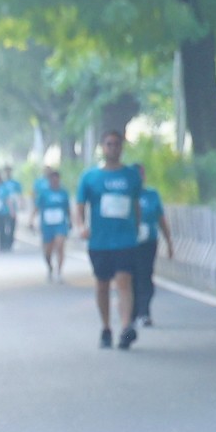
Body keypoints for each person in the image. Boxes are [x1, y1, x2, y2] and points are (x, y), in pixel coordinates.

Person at [75, 129, 144, 347]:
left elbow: (135, 204)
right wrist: (81, 226)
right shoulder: (90, 177)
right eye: (109, 144)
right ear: (102, 147)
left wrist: (138, 227)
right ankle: (106, 327)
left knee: (124, 281)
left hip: (125, 239)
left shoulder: (131, 175)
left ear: (122, 147)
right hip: (100, 241)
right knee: (102, 284)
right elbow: (80, 206)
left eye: (117, 144)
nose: (113, 148)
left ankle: (125, 327)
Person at [130, 177, 172, 329]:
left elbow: (161, 218)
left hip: (148, 242)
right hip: (128, 243)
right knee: (131, 277)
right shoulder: (126, 194)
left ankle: (144, 312)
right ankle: (131, 312)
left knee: (146, 275)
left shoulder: (152, 195)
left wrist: (169, 242)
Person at [34, 166, 72, 281]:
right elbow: (37, 207)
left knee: (60, 246)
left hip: (60, 223)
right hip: (47, 224)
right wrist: (31, 219)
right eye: (52, 179)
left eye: (57, 179)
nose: (55, 181)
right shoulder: (44, 193)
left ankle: (59, 271)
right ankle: (50, 266)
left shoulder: (63, 192)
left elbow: (68, 208)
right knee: (48, 250)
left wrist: (70, 220)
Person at [0, 173, 18, 253]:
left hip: (2, 212)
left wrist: (12, 211)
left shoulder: (4, 188)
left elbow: (8, 200)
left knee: (2, 228)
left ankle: (2, 245)